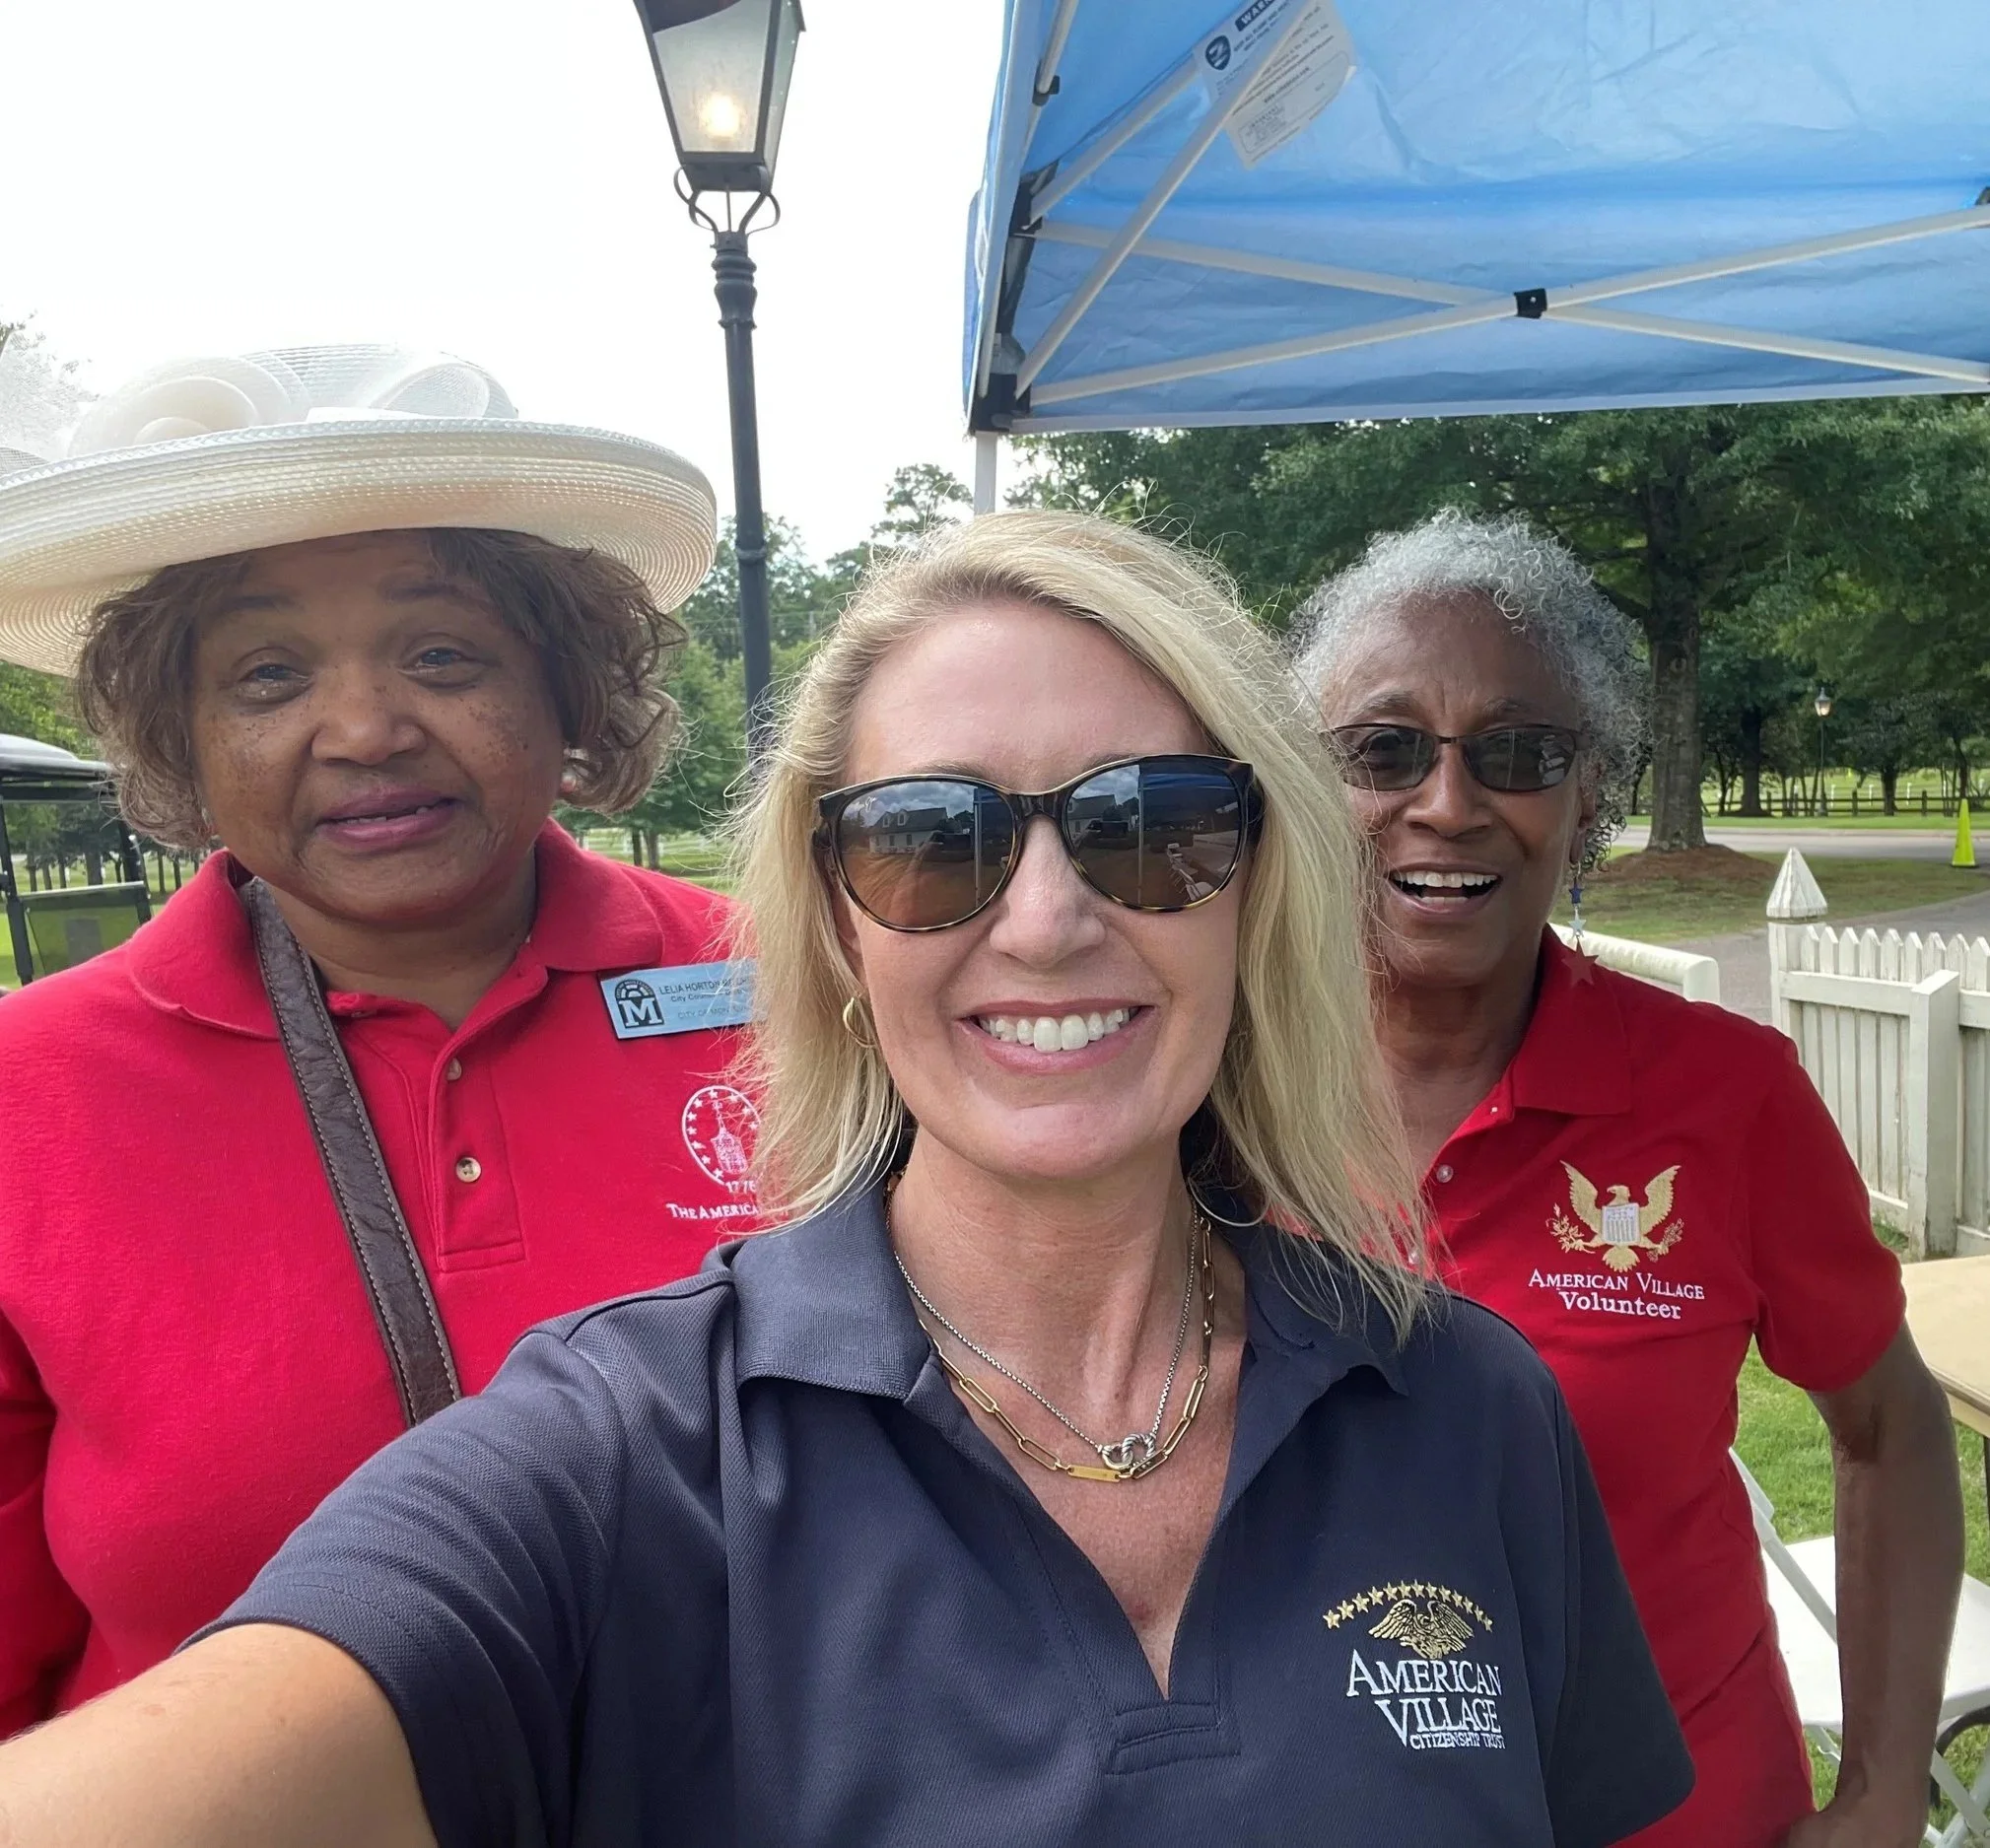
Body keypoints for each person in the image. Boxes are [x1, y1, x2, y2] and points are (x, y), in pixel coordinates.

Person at [0, 511, 1692, 1846]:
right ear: (830, 916)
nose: (1041, 918)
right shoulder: (617, 1446)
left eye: (1150, 821)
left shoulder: (1464, 1401)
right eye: (928, 838)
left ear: (1260, 882)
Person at [0, 346, 761, 1733]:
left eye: (441, 653)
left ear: (565, 685)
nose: (361, 728)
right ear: (178, 731)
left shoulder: (795, 988)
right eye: (268, 672)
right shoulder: (24, 1093)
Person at [1297, 509, 1964, 1848]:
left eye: (1517, 751)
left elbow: (1887, 1428)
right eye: (1380, 750)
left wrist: (1888, 1783)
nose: (1445, 800)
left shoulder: (1725, 1095)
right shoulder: (1209, 1096)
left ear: (1587, 790)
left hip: (1678, 1808)